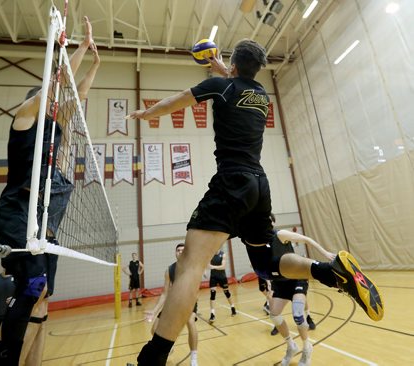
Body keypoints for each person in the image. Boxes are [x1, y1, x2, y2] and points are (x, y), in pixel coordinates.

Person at [126, 39, 383, 366]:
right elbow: (236, 85)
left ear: (233, 65)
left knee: (190, 263)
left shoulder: (219, 86)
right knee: (267, 265)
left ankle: (153, 358)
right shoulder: (261, 95)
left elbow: (175, 102)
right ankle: (329, 271)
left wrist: (146, 113)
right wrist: (226, 71)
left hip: (231, 181)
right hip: (259, 186)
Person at [0, 16, 99, 366]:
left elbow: (76, 95)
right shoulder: (22, 117)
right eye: (44, 99)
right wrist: (76, 48)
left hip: (44, 219)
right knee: (35, 286)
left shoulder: (57, 124)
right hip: (17, 211)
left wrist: (95, 63)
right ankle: (6, 358)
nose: (51, 102)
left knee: (40, 291)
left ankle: (9, 354)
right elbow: (55, 87)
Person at [267, 229, 336, 366]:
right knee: (274, 315)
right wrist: (268, 283)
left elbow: (306, 239)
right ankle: (291, 346)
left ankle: (306, 348)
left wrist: (325, 253)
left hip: (296, 277)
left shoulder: (279, 234)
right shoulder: (256, 243)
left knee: (298, 314)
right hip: (280, 283)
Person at [144, 243, 199, 366]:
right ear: (175, 253)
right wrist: (154, 311)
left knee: (190, 322)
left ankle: (194, 357)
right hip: (173, 301)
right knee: (154, 330)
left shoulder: (193, 266)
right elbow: (164, 293)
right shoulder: (169, 270)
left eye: (182, 250)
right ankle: (170, 346)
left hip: (188, 300)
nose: (180, 252)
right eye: (178, 250)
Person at [207, 248, 236, 323]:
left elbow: (223, 266)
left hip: (222, 277)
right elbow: (206, 263)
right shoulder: (210, 255)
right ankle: (212, 314)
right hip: (213, 277)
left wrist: (213, 267)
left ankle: (232, 307)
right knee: (212, 294)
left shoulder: (223, 255)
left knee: (226, 293)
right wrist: (204, 271)